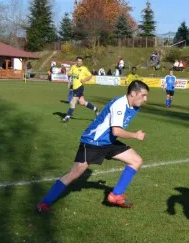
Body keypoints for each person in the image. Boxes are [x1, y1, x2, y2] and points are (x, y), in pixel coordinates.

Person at [36, 80, 149, 214]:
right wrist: (135, 135)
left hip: (108, 142)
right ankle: (44, 203)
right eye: (143, 95)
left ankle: (116, 195)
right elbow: (116, 131)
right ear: (133, 93)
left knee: (136, 161)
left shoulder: (134, 106)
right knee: (74, 174)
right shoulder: (119, 105)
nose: (145, 99)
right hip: (93, 142)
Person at [62, 57, 99, 122]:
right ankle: (95, 109)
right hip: (74, 88)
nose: (80, 62)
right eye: (78, 61)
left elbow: (90, 76)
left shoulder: (84, 68)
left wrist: (84, 80)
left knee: (73, 102)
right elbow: (70, 74)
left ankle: (67, 117)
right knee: (82, 102)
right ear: (76, 61)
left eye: (81, 61)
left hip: (79, 87)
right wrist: (68, 77)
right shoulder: (73, 67)